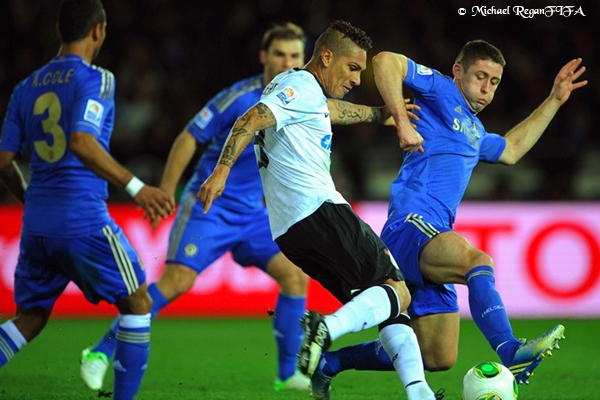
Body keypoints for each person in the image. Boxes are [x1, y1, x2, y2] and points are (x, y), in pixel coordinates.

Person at [308, 40, 587, 396]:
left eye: (494, 82)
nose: (486, 88)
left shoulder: (474, 131)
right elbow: (386, 61)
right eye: (480, 76)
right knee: (477, 261)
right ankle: (510, 349)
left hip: (431, 234)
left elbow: (512, 149)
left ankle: (330, 363)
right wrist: (402, 123)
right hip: (412, 224)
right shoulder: (440, 90)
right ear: (458, 71)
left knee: (437, 355)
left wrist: (554, 100)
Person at [199, 20, 443, 400]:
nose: (358, 79)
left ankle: (419, 393)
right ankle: (324, 330)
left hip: (291, 232)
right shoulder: (296, 87)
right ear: (326, 56)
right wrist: (221, 172)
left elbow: (330, 110)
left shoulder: (304, 91)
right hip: (317, 210)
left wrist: (378, 115)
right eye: (353, 68)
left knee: (386, 305)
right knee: (399, 291)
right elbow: (249, 119)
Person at [80, 22, 313, 392]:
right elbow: (189, 137)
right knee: (177, 282)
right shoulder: (238, 98)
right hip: (211, 208)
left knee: (295, 276)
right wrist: (168, 190)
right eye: (280, 54)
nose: (287, 62)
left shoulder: (304, 98)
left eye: (295, 55)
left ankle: (286, 373)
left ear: (304, 59)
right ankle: (100, 352)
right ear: (264, 57)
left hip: (254, 215)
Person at [0, 1, 175, 399]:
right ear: (99, 31)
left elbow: (3, 160)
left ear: (61, 28)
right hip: (82, 219)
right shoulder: (98, 80)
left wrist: (28, 198)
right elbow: (81, 141)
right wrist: (137, 187)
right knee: (138, 303)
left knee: (29, 316)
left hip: (37, 224)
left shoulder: (24, 88)